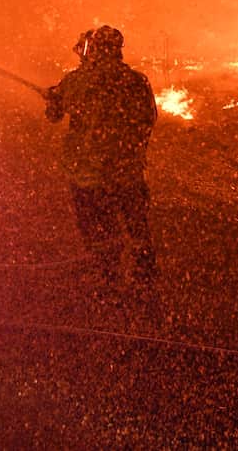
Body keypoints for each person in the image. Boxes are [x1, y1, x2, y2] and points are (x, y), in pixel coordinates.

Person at [45, 25, 159, 293]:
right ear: (118, 50)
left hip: (88, 174)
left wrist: (53, 97)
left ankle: (109, 277)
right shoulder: (136, 81)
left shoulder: (76, 81)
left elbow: (53, 114)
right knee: (136, 223)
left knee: (98, 226)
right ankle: (145, 274)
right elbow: (148, 119)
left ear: (93, 49)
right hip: (127, 171)